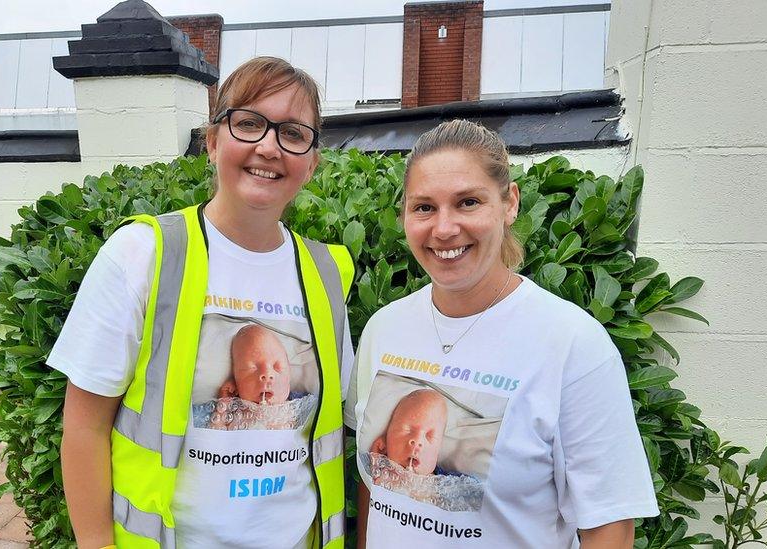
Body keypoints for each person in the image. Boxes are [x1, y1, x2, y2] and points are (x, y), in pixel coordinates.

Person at [49, 57, 354, 549]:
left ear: (312, 162)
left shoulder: (325, 273)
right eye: (249, 123)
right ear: (212, 141)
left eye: (293, 133)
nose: (269, 146)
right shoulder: (144, 254)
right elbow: (84, 427)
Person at [345, 119, 659, 548]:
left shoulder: (571, 344)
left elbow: (610, 527)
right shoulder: (385, 329)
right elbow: (376, 488)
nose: (444, 228)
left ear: (509, 203)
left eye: (468, 202)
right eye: (424, 207)